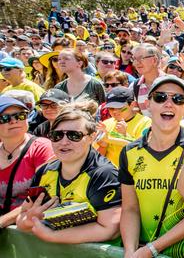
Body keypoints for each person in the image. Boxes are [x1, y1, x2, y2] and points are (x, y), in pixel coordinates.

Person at [119, 75, 184, 258]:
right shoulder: (129, 153)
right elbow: (130, 209)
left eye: (178, 99)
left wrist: (153, 248)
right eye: (160, 97)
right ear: (148, 104)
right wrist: (130, 252)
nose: (169, 103)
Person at [16, 100, 121, 244]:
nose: (64, 142)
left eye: (74, 135)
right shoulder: (44, 172)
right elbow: (21, 220)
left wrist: (52, 236)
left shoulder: (104, 174)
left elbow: (110, 229)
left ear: (91, 137)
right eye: (57, 135)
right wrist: (30, 219)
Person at [0, 97, 54, 228]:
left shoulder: (42, 148)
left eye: (20, 115)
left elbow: (42, 196)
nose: (14, 121)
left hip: (28, 228)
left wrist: (3, 221)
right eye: (5, 118)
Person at [97, 87, 151, 166]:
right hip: (111, 174)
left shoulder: (145, 122)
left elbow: (143, 151)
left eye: (120, 108)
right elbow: (97, 159)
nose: (115, 111)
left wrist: (124, 136)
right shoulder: (105, 124)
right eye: (111, 108)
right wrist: (103, 146)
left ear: (132, 105)